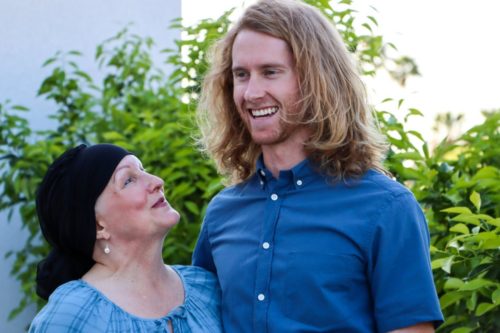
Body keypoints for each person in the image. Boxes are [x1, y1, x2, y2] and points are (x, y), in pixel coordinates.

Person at [192, 0, 443, 332]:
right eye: (241, 75)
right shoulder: (222, 214)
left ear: (315, 79)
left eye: (270, 72)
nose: (251, 92)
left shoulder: (386, 208)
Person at [29, 143, 221, 332]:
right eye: (128, 180)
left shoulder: (205, 288)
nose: (156, 181)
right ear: (98, 225)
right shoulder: (73, 314)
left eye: (143, 170)